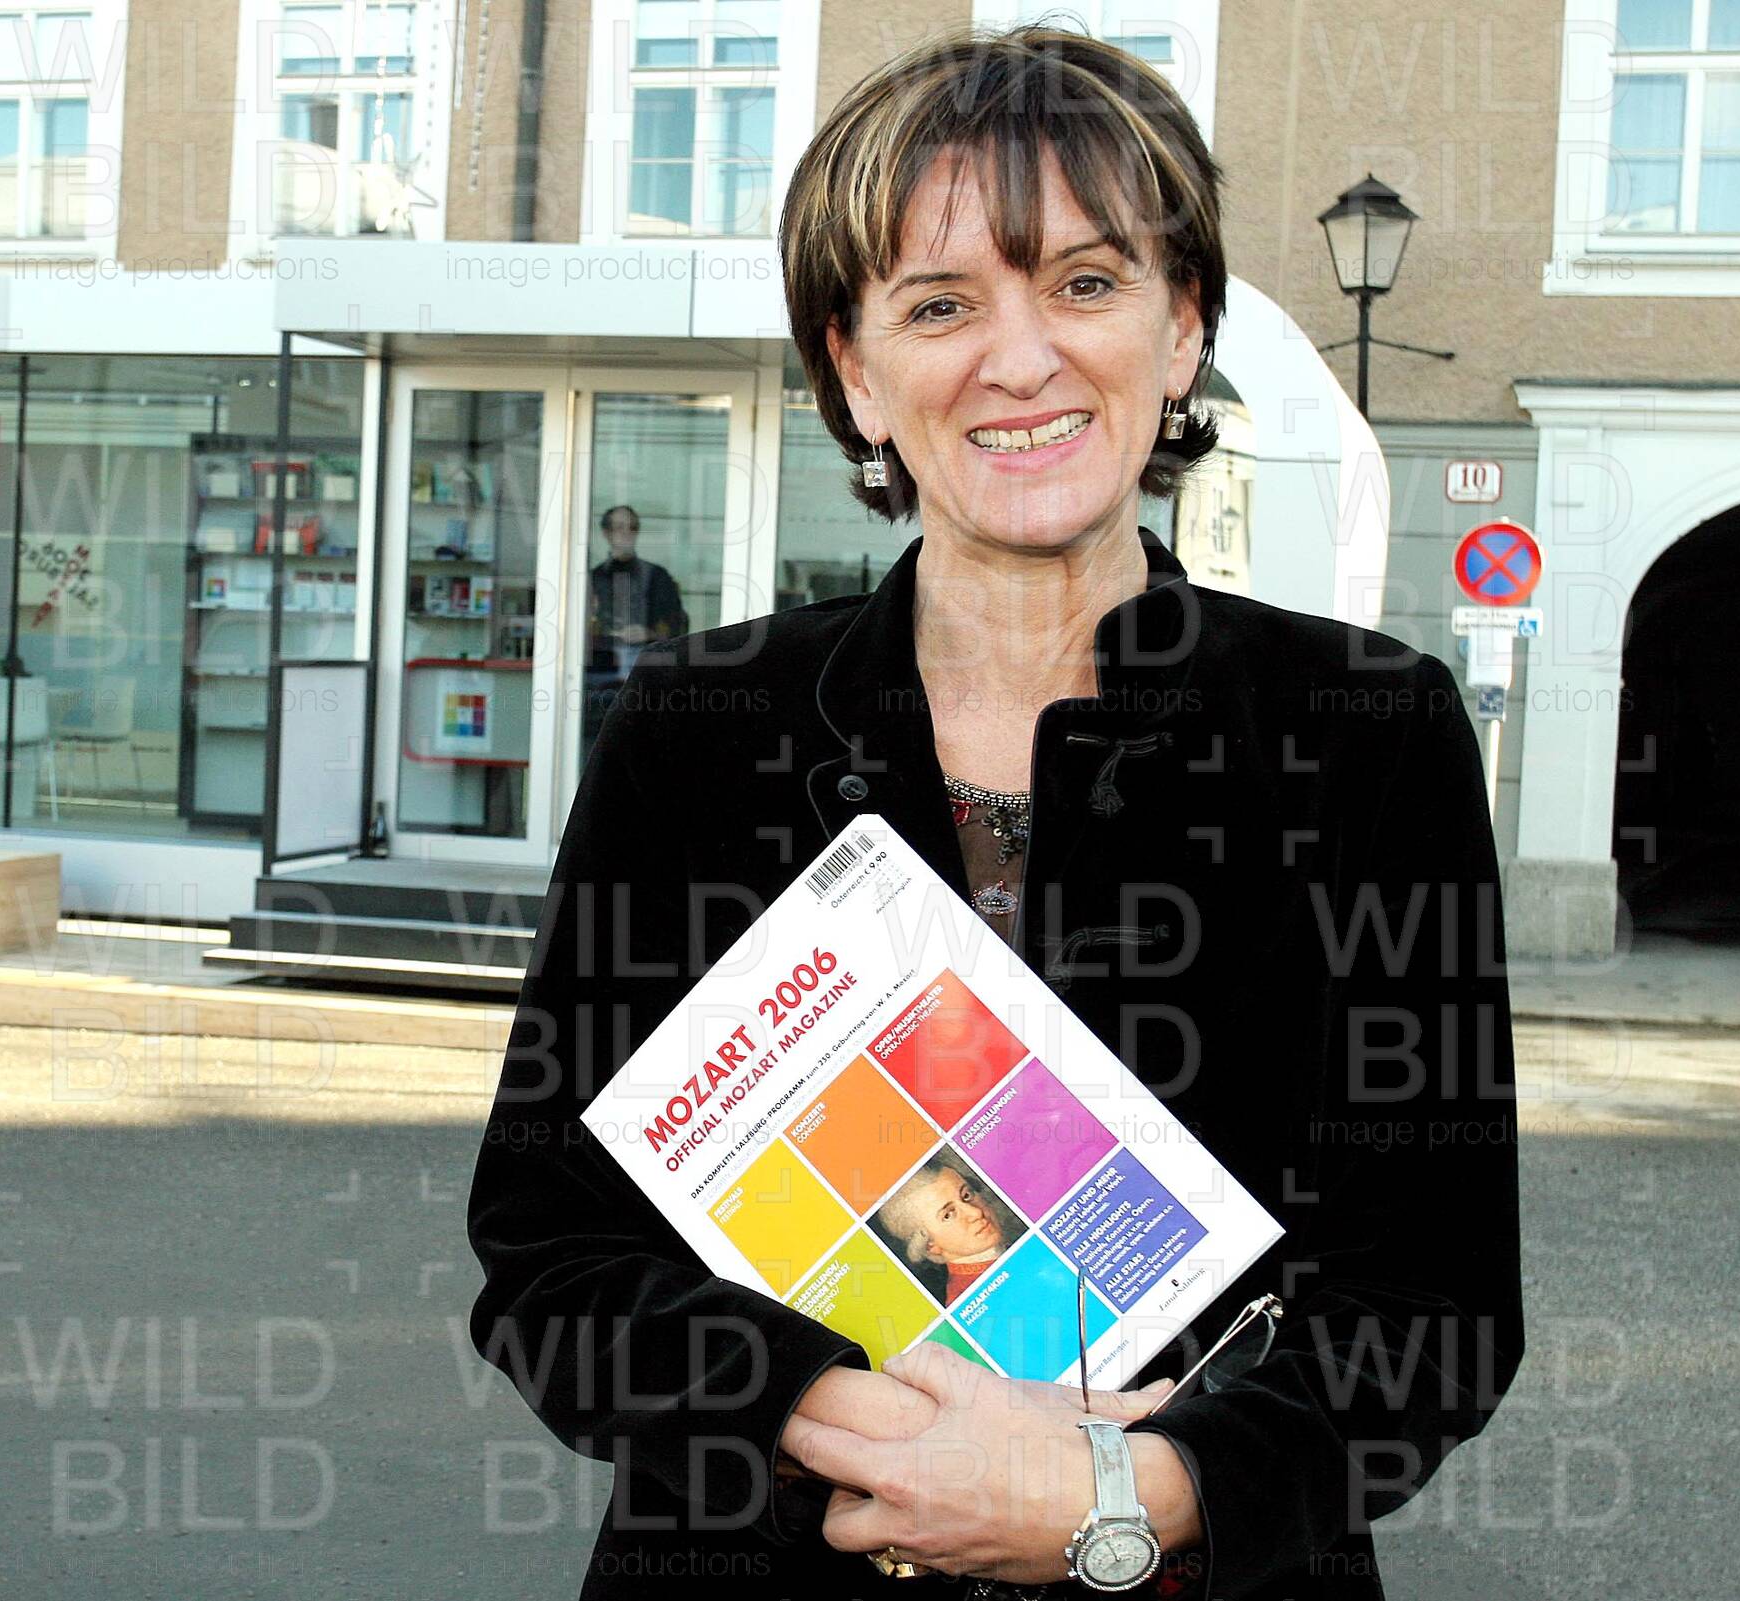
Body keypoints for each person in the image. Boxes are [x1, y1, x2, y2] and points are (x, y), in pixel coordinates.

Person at [465, 23, 1522, 1601]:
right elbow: (549, 1253)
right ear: (854, 371)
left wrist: (1120, 1498)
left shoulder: (1367, 732)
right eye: (942, 303)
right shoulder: (699, 728)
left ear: (1184, 329)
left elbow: (1435, 1303)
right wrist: (868, 1436)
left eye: (1086, 283)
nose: (1020, 361)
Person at [582, 506, 691, 758]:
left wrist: (649, 633)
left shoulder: (657, 577)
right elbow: (576, 630)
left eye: (632, 527)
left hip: (646, 678)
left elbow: (679, 625)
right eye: (619, 527)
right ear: (606, 533)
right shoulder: (592, 579)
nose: (626, 533)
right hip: (600, 678)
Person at [873, 1158, 1021, 1308]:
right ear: (930, 1245)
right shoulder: (969, 1300)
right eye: (948, 1215)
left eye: (966, 1195)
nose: (976, 1212)